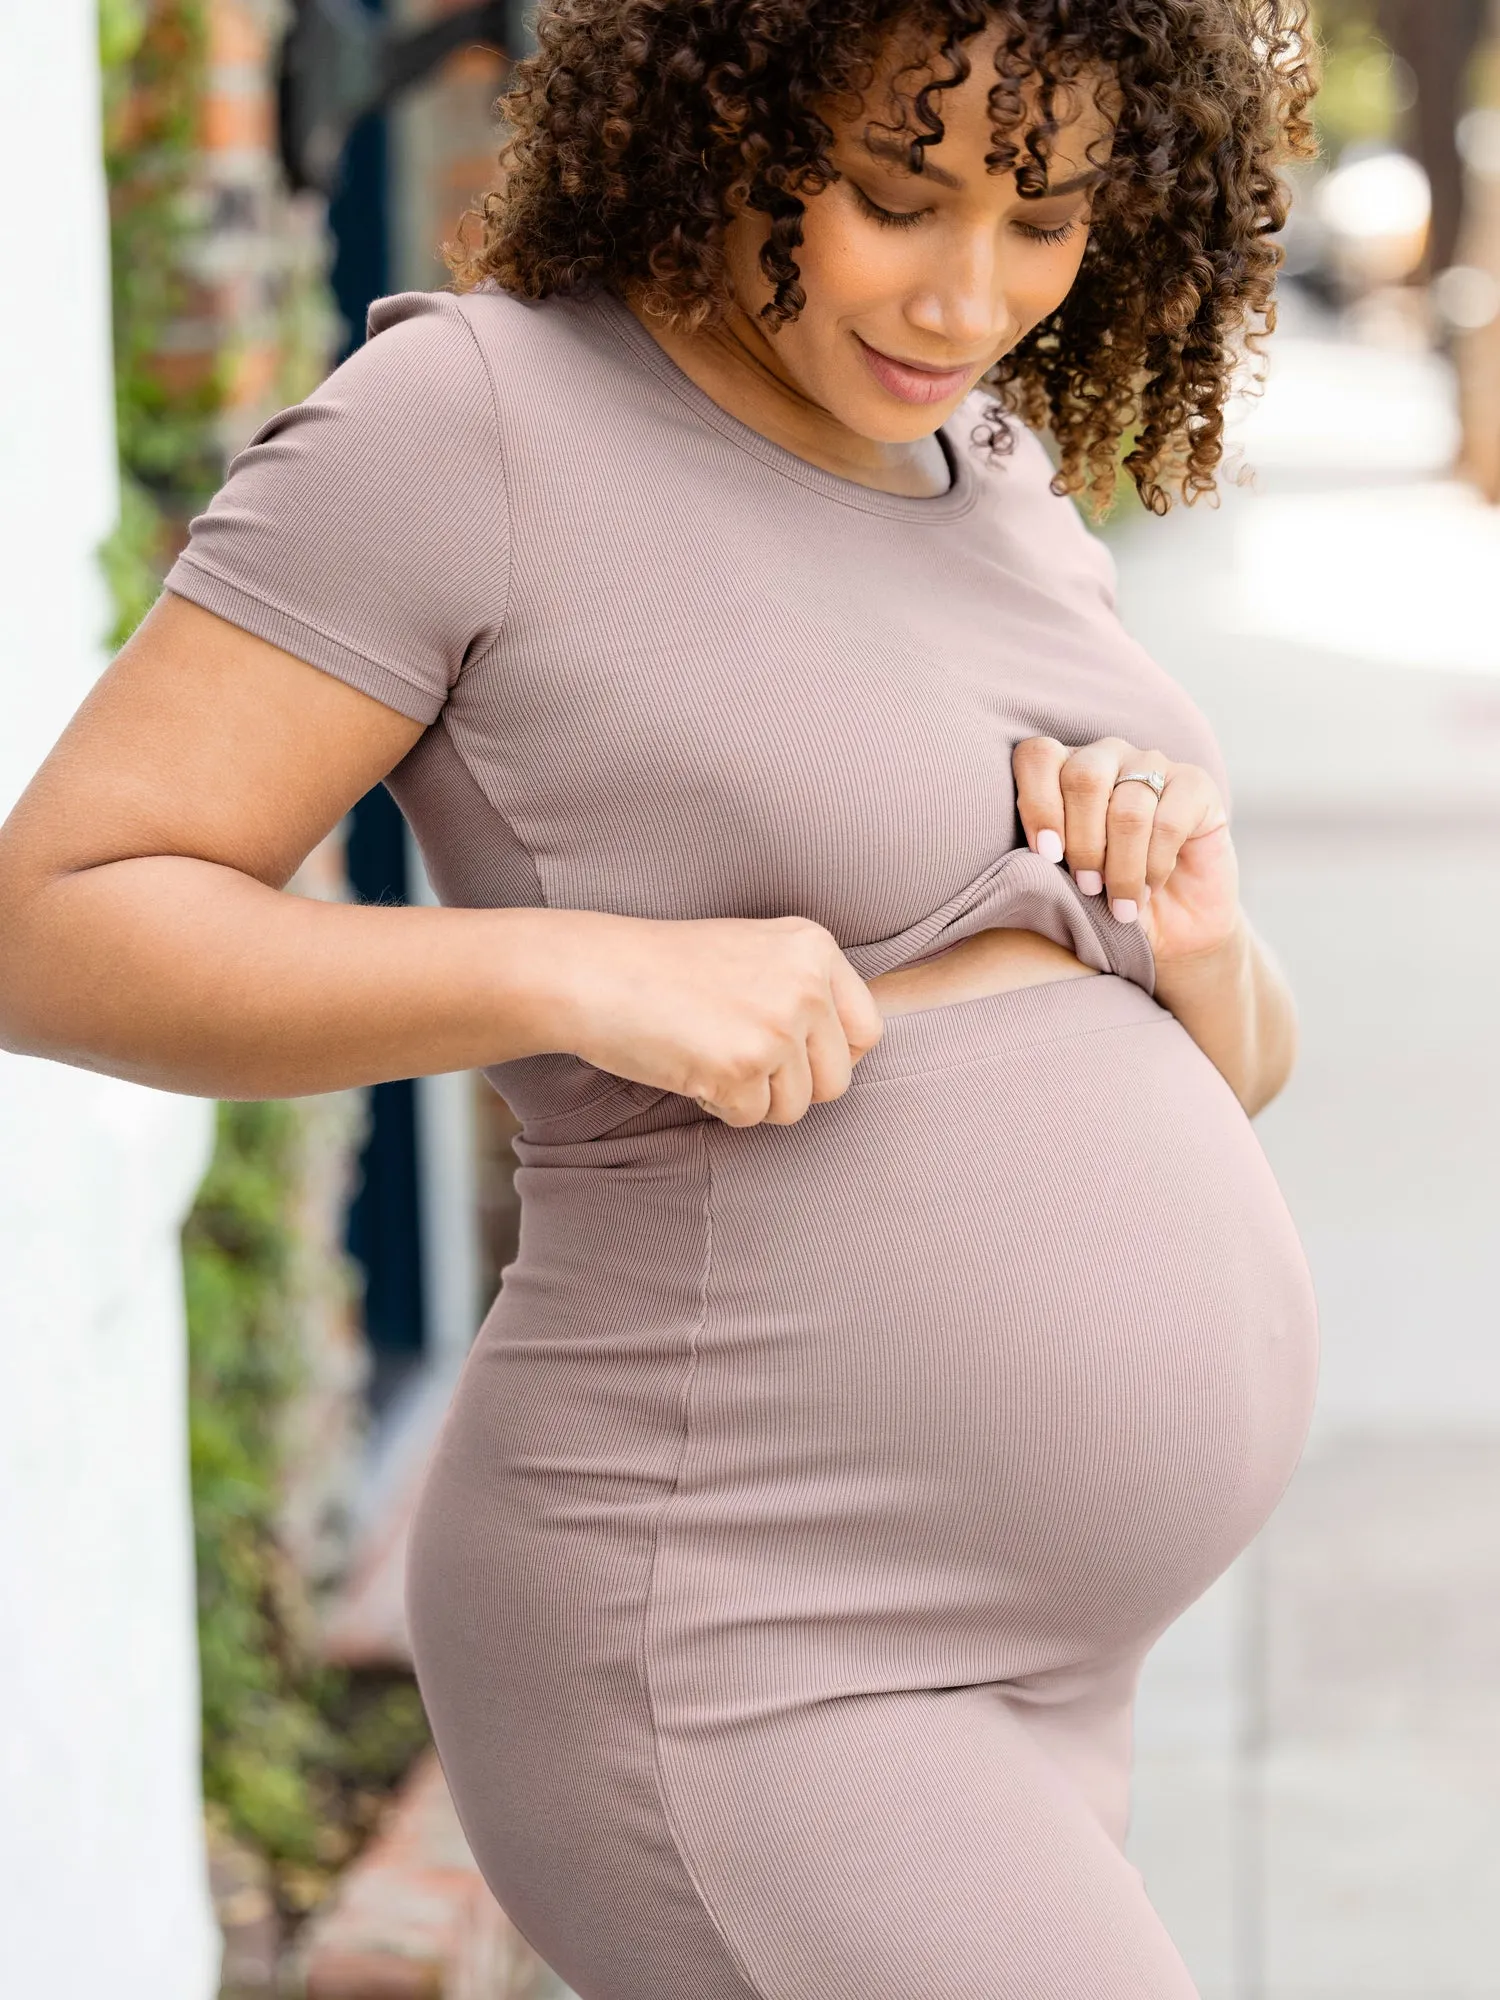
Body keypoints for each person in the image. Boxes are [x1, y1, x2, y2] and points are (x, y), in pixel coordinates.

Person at [0, 2, 1321, 1993]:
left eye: (1046, 219)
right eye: (899, 195)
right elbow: (54, 919)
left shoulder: (989, 459)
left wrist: (1198, 936)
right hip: (743, 1626)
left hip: (1034, 1674)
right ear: (735, 110)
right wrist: (574, 967)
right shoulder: (476, 423)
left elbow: (1231, 1071)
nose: (969, 291)